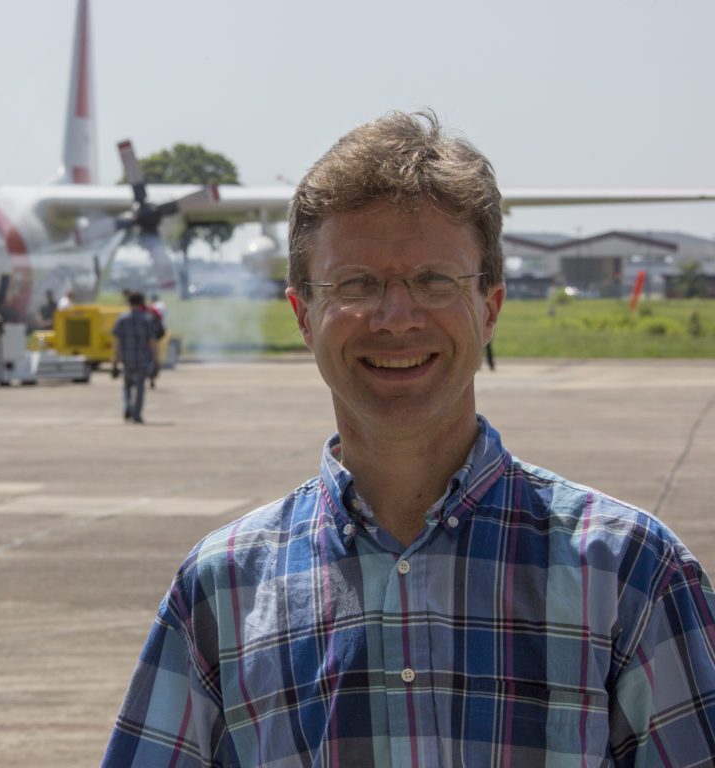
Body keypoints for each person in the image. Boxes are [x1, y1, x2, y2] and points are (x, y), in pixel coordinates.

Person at [101, 111, 715, 766]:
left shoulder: (630, 575)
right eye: (356, 284)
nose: (396, 318)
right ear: (304, 316)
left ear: (491, 309)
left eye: (434, 281)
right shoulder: (221, 590)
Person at [110, 291, 156, 424]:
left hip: (127, 359)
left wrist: (116, 357)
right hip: (142, 359)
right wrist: (156, 359)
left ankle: (127, 406)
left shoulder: (122, 319)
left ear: (129, 303)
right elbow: (152, 341)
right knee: (140, 387)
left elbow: (117, 340)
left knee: (127, 386)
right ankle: (136, 414)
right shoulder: (146, 320)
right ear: (142, 303)